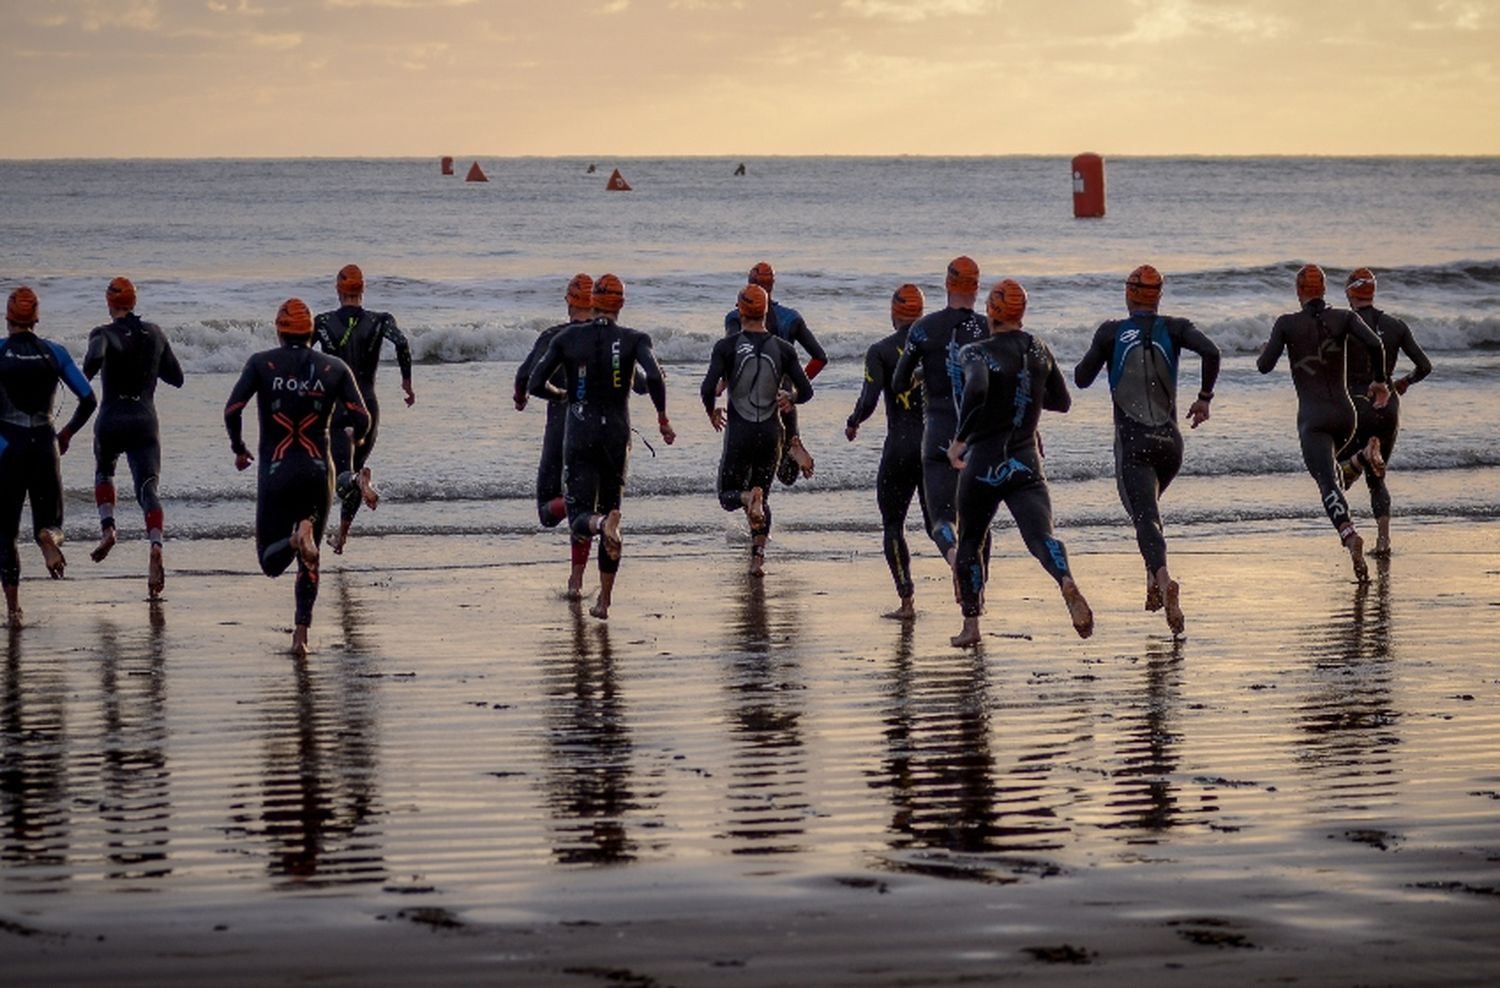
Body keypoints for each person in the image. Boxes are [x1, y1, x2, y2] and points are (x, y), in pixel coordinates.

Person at [1073, 265, 1219, 635]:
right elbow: (1211, 351)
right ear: (1159, 296)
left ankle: (1164, 578)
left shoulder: (1110, 332)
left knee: (1144, 517)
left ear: (1129, 294)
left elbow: (1081, 378)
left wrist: (1102, 349)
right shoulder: (1175, 327)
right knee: (1149, 513)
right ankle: (1153, 582)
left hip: (1134, 444)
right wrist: (1204, 399)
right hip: (1171, 445)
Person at [947, 280, 1091, 647]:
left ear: (991, 312)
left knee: (970, 542)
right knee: (1041, 536)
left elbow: (977, 390)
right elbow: (1062, 402)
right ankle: (1065, 580)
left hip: (983, 462)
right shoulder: (1039, 349)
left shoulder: (975, 352)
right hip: (1026, 461)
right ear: (1021, 313)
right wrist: (1024, 399)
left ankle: (971, 627)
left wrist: (961, 439)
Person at [224, 299, 370, 657]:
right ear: (311, 332)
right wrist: (355, 437)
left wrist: (239, 448)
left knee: (270, 562)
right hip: (319, 472)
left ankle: (294, 539)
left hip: (276, 470)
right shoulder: (334, 367)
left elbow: (233, 409)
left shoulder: (260, 363)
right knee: (312, 560)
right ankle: (301, 637)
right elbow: (361, 416)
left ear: (279, 329)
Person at [527, 274, 675, 620]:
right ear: (621, 304)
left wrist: (561, 394)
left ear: (592, 301)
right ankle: (604, 601)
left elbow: (535, 382)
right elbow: (652, 377)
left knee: (583, 515)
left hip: (580, 431)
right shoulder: (634, 339)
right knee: (613, 512)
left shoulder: (567, 337)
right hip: (617, 436)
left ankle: (598, 525)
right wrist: (663, 417)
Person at [1257, 264, 1389, 582]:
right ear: (1325, 290)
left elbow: (1264, 366)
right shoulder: (1344, 317)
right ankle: (1361, 457)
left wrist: (1266, 349)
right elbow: (1375, 344)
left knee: (1327, 483)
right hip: (1346, 417)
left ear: (1299, 291)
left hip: (1313, 420)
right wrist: (1380, 381)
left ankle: (1349, 536)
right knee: (1334, 476)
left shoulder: (1287, 324)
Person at [1, 286, 98, 628]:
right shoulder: (53, 353)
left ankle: (13, 610)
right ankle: (49, 539)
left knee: (6, 534)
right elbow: (88, 398)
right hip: (44, 445)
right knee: (52, 523)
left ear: (8, 317)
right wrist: (67, 432)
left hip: (7, 448)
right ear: (36, 318)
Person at [83, 277, 185, 598]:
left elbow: (92, 362)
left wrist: (86, 375)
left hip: (111, 419)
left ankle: (109, 529)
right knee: (147, 488)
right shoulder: (155, 334)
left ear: (109, 303)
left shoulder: (103, 333)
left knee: (104, 471)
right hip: (145, 421)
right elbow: (177, 378)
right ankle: (155, 544)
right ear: (134, 302)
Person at [704, 284, 814, 577]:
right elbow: (806, 390)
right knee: (762, 496)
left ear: (740, 310)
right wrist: (790, 398)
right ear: (766, 311)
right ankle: (757, 560)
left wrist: (711, 411)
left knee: (729, 494)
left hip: (740, 432)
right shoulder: (784, 349)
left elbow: (707, 389)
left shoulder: (725, 347)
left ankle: (746, 500)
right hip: (771, 433)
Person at [890, 256, 990, 578]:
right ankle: (977, 594)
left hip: (937, 431)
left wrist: (925, 373)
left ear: (947, 284)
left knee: (942, 520)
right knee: (977, 522)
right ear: (976, 287)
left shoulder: (922, 329)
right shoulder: (989, 329)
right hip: (978, 435)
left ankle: (953, 558)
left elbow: (899, 383)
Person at [312, 264, 414, 554]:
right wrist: (406, 383)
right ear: (362, 290)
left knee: (343, 475)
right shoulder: (381, 320)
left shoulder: (322, 322)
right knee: (353, 474)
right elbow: (403, 343)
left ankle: (353, 490)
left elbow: (302, 356)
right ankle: (341, 538)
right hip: (367, 407)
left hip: (336, 408)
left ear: (338, 290)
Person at [845, 283, 929, 618]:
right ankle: (966, 584)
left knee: (893, 523)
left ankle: (907, 601)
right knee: (942, 524)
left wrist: (853, 421)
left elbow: (868, 401)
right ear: (921, 313)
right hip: (936, 446)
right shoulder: (936, 345)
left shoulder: (880, 350)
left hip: (900, 448)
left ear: (893, 313)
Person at [1336, 267, 1432, 557]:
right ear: (1372, 292)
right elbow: (1424, 366)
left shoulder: (1344, 324)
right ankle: (1384, 541)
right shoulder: (1396, 325)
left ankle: (1361, 458)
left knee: (1339, 470)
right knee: (1377, 480)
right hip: (1387, 405)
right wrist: (1404, 382)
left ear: (1350, 293)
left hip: (1355, 404)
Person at [515, 274, 596, 598]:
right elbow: (637, 382)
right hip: (600, 430)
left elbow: (526, 376)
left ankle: (576, 509)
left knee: (549, 510)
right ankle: (576, 580)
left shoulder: (552, 337)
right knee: (586, 505)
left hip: (562, 429)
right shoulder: (609, 338)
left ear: (568, 301)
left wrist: (520, 397)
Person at [723, 262, 826, 483]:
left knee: (747, 477)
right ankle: (793, 443)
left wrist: (722, 382)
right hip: (784, 399)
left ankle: (752, 506)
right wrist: (797, 386)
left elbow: (731, 351)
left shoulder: (735, 318)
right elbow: (820, 357)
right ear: (773, 285)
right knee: (787, 476)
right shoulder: (791, 318)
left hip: (749, 404)